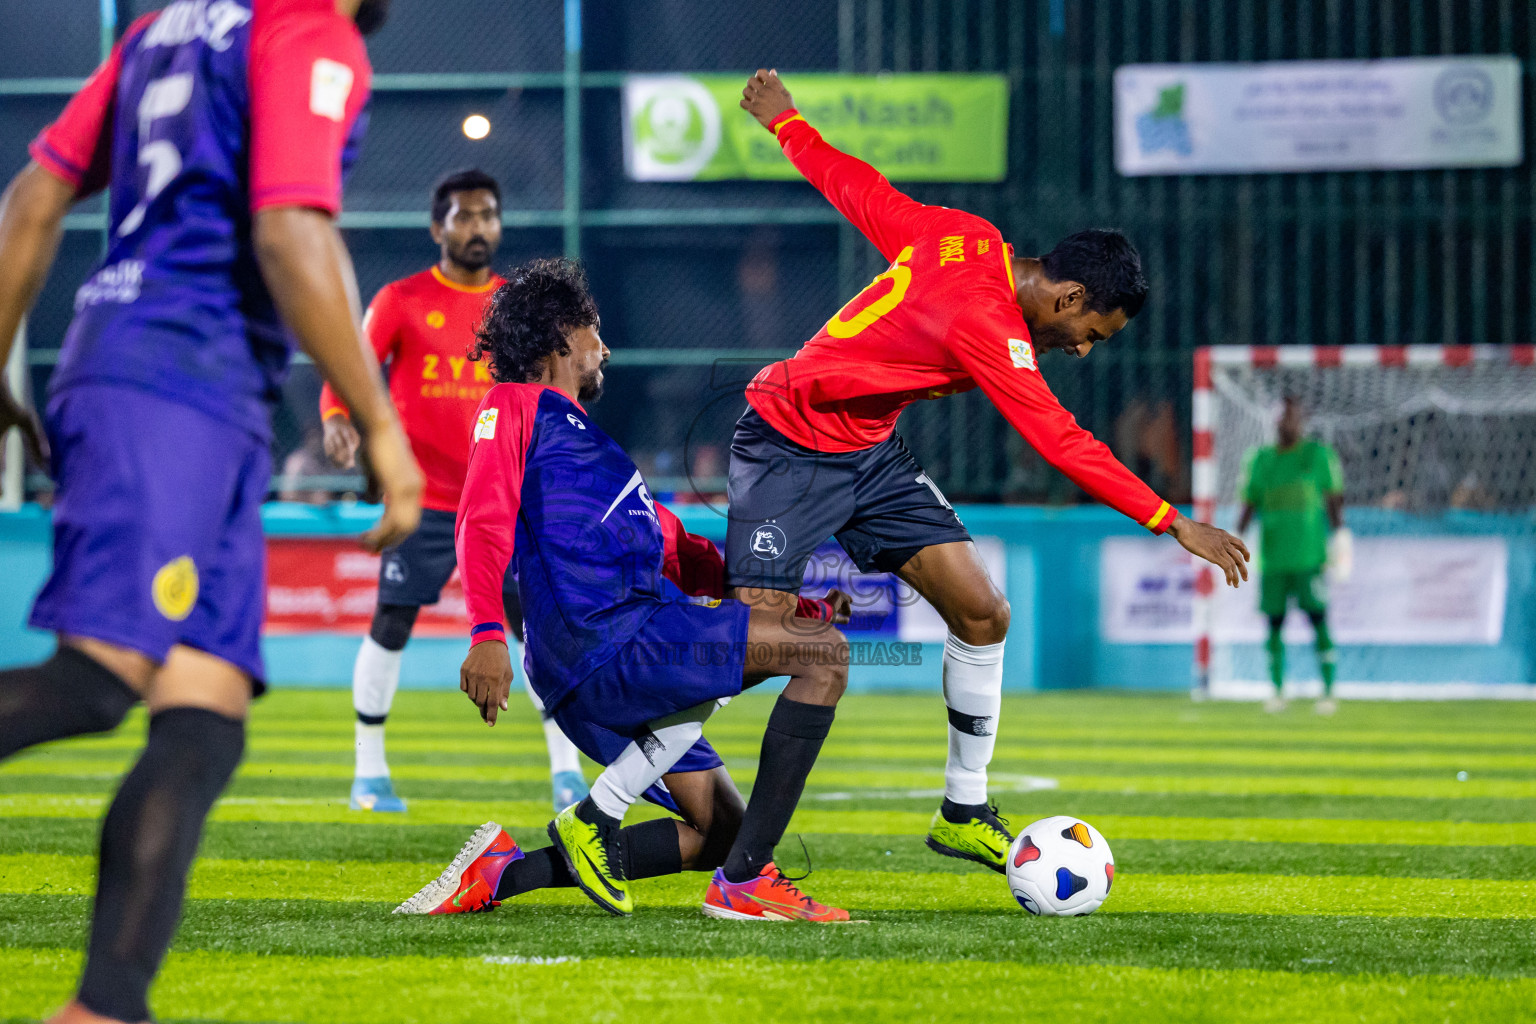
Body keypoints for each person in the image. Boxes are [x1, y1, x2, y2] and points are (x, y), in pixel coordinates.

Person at [0, 2, 418, 1022]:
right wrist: (381, 420)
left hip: (185, 384)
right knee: (100, 682)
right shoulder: (312, 32)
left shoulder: (161, 30)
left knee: (203, 720)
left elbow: (35, 193)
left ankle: (104, 1007)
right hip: (175, 378)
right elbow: (289, 231)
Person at [730, 70, 1250, 873]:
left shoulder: (967, 236)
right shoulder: (989, 324)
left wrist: (789, 123)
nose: (1080, 349)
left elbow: (862, 190)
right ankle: (619, 800)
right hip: (788, 441)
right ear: (1070, 294)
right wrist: (1172, 519)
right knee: (745, 646)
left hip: (866, 450)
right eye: (1091, 332)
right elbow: (1057, 437)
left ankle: (963, 806)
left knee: (982, 611)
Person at [395, 258, 856, 923]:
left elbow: (688, 556)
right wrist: (487, 633)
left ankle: (505, 873)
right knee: (825, 656)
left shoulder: (599, 454)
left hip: (631, 649)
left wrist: (803, 607)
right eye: (594, 332)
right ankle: (732, 876)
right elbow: (481, 519)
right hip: (607, 644)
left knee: (718, 830)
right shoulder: (514, 407)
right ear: (560, 338)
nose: (603, 348)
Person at [320, 168, 590, 813]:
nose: (478, 227)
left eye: (488, 215)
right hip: (428, 500)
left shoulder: (515, 309)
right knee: (391, 622)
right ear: (438, 226)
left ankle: (566, 771)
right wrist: (337, 419)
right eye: (465, 216)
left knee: (540, 633)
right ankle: (369, 774)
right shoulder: (402, 299)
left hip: (509, 500)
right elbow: (351, 370)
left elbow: (553, 386)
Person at [1236, 397, 1347, 715]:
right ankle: (1277, 690)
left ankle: (1328, 691)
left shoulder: (1318, 455)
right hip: (1272, 559)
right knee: (1273, 624)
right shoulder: (1259, 459)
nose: (1286, 423)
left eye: (1292, 418)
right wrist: (1232, 543)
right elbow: (1248, 505)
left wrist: (1341, 538)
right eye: (1282, 417)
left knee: (1318, 620)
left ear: (1302, 421)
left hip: (1309, 557)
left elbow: (1334, 500)